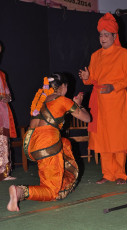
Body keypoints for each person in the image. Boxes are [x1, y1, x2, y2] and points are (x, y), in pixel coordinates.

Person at [7, 73, 91, 212]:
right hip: (47, 145)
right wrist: (78, 105)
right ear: (63, 86)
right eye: (67, 87)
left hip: (31, 144)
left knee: (65, 143)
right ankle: (20, 192)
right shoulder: (63, 100)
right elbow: (87, 118)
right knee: (53, 192)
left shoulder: (41, 100)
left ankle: (53, 180)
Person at [79, 12, 127, 185]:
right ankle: (107, 174)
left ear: (114, 36)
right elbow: (91, 80)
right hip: (100, 104)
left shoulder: (124, 54)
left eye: (106, 35)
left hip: (118, 102)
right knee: (103, 139)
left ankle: (120, 174)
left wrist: (114, 86)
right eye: (100, 35)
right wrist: (86, 76)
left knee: (118, 139)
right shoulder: (95, 56)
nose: (102, 38)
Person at [0, 43, 17, 181]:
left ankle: (4, 173)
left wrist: (7, 97)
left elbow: (8, 94)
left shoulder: (2, 74)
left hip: (3, 112)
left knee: (3, 141)